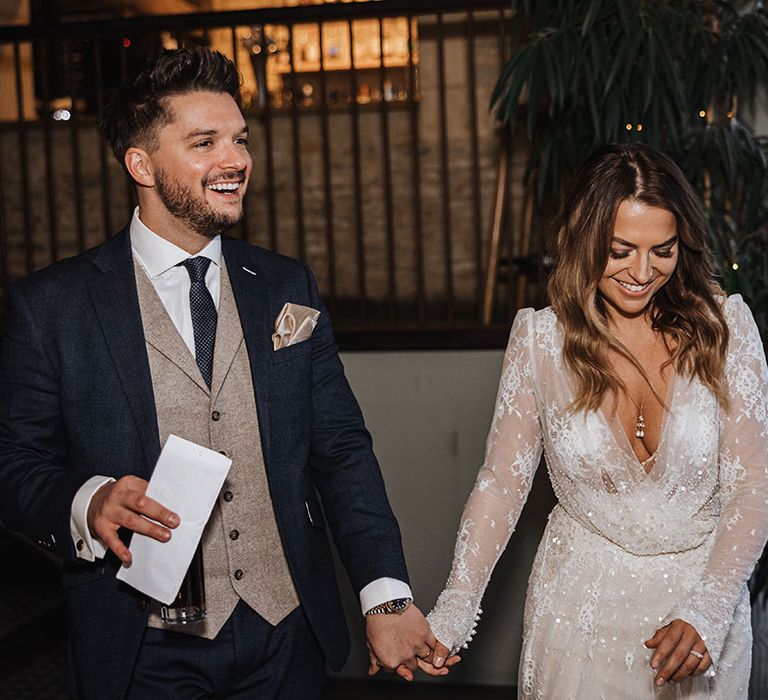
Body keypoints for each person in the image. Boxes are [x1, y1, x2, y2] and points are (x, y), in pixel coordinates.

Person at [0, 47, 440, 699]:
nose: (235, 160)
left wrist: (384, 595)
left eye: (239, 140)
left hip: (286, 636)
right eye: (204, 142)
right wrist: (85, 499)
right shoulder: (53, 306)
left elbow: (341, 450)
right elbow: (14, 461)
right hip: (141, 649)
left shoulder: (287, 287)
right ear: (141, 164)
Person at [421, 144, 768, 698]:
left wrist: (710, 607)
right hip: (578, 612)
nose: (642, 271)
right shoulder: (540, 342)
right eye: (620, 250)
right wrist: (457, 605)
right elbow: (502, 485)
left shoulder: (726, 329)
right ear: (583, 241)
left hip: (701, 611)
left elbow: (753, 487)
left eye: (663, 250)